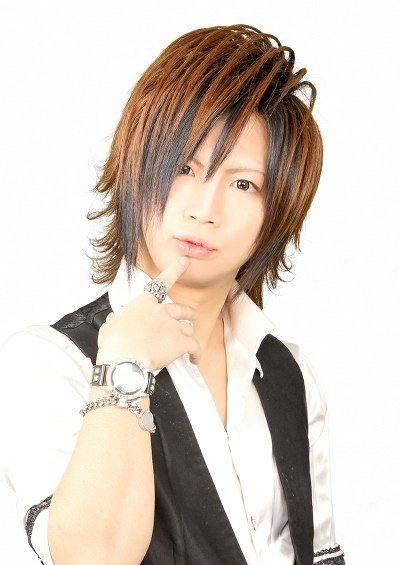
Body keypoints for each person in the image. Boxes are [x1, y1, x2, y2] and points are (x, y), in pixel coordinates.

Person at [0, 23, 346, 565]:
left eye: (243, 184)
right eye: (185, 167)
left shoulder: (287, 372)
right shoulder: (51, 361)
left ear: (276, 212)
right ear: (139, 163)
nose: (205, 210)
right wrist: (125, 364)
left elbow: (319, 553)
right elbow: (91, 557)